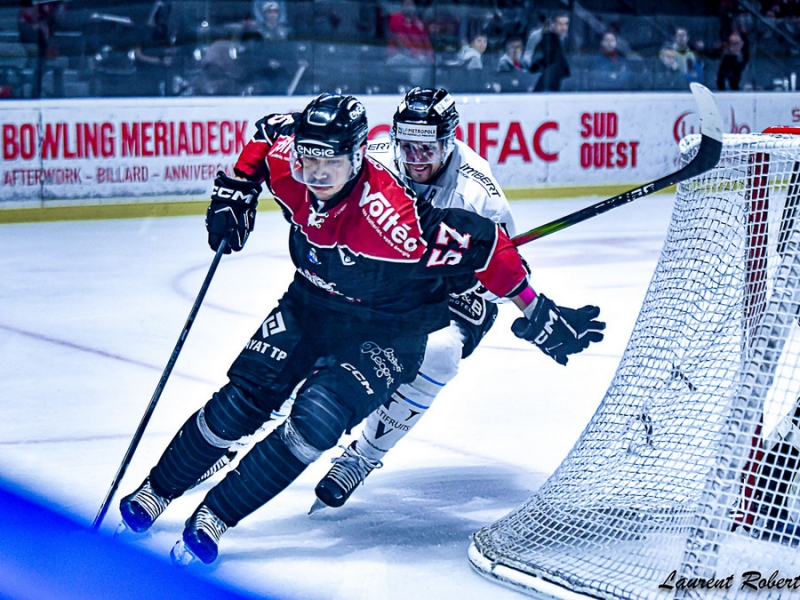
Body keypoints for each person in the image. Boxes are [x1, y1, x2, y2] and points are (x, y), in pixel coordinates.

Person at [116, 93, 605, 566]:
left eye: (330, 162)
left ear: (355, 159)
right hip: (314, 300)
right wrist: (237, 186)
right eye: (310, 158)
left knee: (318, 421)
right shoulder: (296, 166)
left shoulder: (398, 221)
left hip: (392, 327)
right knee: (239, 403)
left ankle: (225, 512)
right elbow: (268, 135)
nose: (317, 174)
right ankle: (158, 489)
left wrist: (534, 309)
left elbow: (488, 247)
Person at [310, 88, 521, 512]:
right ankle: (246, 426)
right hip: (381, 274)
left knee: (441, 351)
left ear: (449, 142)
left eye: (427, 149)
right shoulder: (374, 161)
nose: (415, 159)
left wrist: (472, 280)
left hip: (449, 289)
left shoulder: (478, 193)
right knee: (316, 328)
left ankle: (363, 456)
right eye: (407, 146)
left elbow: (504, 272)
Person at [529, 13, 571, 92]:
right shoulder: (549, 38)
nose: (563, 27)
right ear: (553, 25)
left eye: (566, 24)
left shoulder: (567, 43)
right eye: (560, 24)